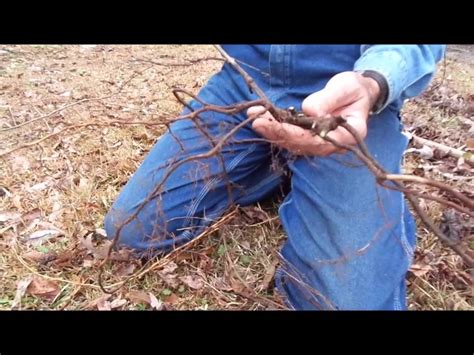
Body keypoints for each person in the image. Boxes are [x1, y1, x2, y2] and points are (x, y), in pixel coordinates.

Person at [104, 45, 445, 310]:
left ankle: (319, 176)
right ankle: (279, 164)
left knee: (343, 302)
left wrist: (374, 80)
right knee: (134, 230)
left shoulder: (361, 85)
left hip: (349, 89)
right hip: (246, 77)